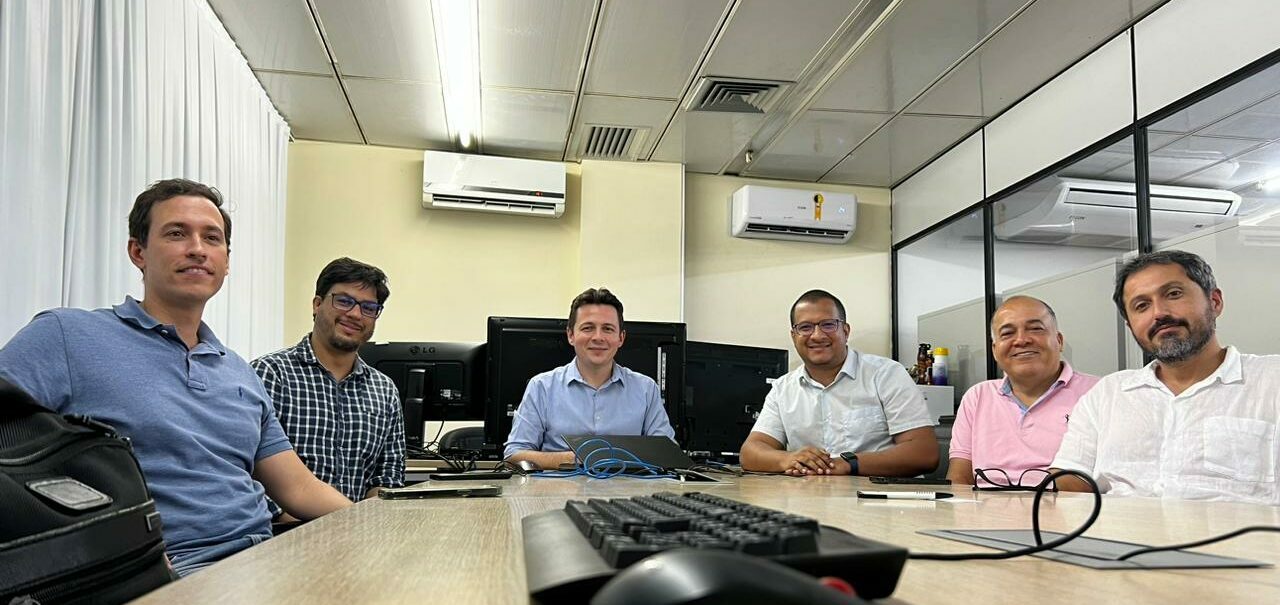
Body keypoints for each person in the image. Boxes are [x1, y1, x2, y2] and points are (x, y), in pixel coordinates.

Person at [0, 178, 352, 576]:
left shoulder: (239, 370)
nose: (198, 249)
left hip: (265, 561)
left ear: (226, 261)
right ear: (138, 252)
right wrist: (108, 550)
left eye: (212, 238)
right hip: (160, 573)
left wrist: (370, 526)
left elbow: (297, 488)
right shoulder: (66, 335)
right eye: (176, 233)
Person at [1053, 250, 1280, 504]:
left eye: (1173, 294)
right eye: (1141, 306)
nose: (1158, 313)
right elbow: (1070, 477)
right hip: (1118, 538)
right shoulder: (1108, 393)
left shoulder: (1272, 382)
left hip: (1239, 541)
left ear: (1214, 302)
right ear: (1131, 326)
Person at [251, 258, 404, 507]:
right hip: (284, 533)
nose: (355, 314)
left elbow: (387, 477)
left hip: (359, 534)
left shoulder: (384, 391)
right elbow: (249, 471)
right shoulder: (270, 374)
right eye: (344, 301)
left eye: (368, 307)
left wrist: (369, 528)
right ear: (317, 304)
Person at [740, 289, 938, 477]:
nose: (817, 335)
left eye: (828, 325)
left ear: (845, 330)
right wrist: (789, 459)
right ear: (794, 336)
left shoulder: (886, 375)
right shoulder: (783, 389)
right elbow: (750, 452)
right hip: (811, 500)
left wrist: (848, 464)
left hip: (883, 503)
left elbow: (924, 453)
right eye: (805, 327)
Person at [504, 287, 675, 468]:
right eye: (588, 328)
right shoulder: (541, 387)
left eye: (608, 329)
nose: (598, 337)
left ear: (621, 338)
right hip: (556, 492)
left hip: (628, 492)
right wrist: (577, 459)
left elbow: (668, 454)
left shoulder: (646, 389)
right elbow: (514, 454)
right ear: (571, 335)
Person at [947, 296, 1099, 486]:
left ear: (1059, 341)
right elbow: (959, 478)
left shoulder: (1098, 393)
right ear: (995, 350)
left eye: (1035, 329)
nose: (1021, 340)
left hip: (1065, 511)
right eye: (1007, 333)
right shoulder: (977, 397)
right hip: (986, 512)